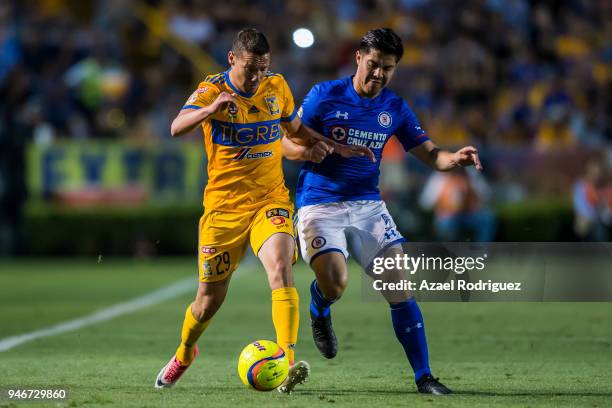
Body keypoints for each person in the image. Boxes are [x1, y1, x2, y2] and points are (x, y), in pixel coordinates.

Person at [154, 28, 373, 393]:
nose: (256, 76)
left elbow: (297, 128)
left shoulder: (276, 87)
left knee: (280, 267)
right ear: (232, 59)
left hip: (269, 201)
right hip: (223, 212)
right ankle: (185, 352)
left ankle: (286, 361)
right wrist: (209, 111)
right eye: (251, 68)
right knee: (207, 302)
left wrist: (336, 147)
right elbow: (176, 127)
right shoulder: (211, 90)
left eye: (263, 68)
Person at [284, 28, 482, 395]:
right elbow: (286, 142)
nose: (378, 74)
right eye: (373, 64)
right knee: (337, 282)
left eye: (387, 68)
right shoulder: (323, 96)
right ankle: (320, 306)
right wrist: (306, 151)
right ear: (358, 57)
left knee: (399, 287)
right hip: (319, 203)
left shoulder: (394, 107)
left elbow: (430, 153)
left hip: (368, 206)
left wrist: (453, 158)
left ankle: (424, 377)